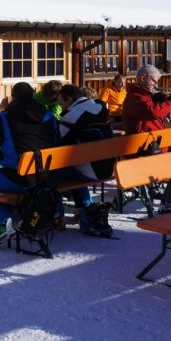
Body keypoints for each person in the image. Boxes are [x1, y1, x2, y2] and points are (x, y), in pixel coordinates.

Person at [0, 82, 58, 247]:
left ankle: (3, 223)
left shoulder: (7, 117)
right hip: (47, 176)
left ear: (13, 98)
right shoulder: (49, 116)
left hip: (19, 178)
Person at [122, 64, 171, 214]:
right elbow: (154, 113)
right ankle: (168, 201)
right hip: (142, 154)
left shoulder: (145, 96)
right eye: (154, 81)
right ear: (143, 78)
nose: (156, 85)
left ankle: (169, 200)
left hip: (152, 151)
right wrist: (170, 102)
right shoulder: (135, 98)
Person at [55, 83, 114, 237]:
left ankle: (57, 214)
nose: (61, 107)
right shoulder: (99, 106)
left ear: (69, 99)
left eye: (62, 103)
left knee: (50, 172)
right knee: (71, 166)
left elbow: (56, 140)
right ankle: (85, 208)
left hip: (93, 168)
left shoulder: (75, 114)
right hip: (107, 165)